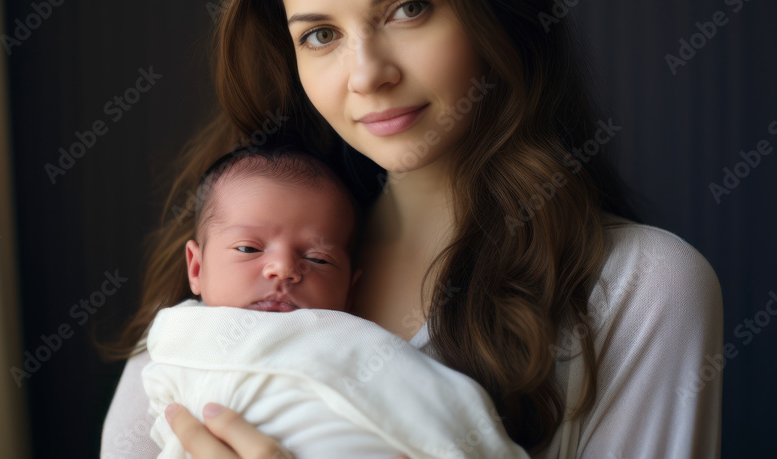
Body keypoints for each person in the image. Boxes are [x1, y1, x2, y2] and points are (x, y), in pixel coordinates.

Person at [100, 0, 724, 457]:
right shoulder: (234, 263)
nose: (368, 74)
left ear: (498, 8)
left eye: (409, 9)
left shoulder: (638, 291)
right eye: (320, 35)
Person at [141, 142, 529, 458]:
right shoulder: (177, 337)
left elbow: (438, 401)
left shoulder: (351, 340)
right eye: (247, 248)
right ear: (196, 268)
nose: (283, 269)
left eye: (317, 258)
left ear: (350, 291)